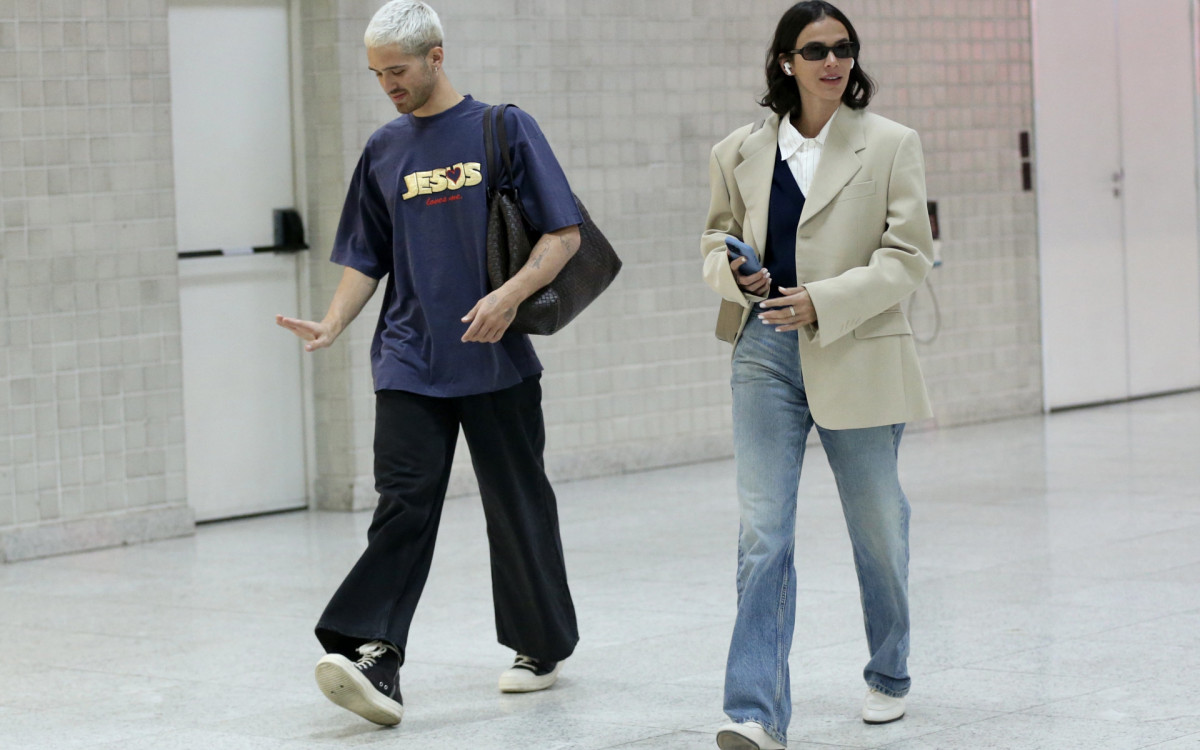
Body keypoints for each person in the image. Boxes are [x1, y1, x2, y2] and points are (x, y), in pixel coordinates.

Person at [276, 0, 582, 727]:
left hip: (497, 359)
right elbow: (364, 255)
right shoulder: (385, 149)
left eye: (399, 71)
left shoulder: (502, 128)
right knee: (404, 505)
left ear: (436, 57)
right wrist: (332, 321)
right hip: (410, 358)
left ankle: (540, 645)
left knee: (518, 506)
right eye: (378, 74)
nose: (389, 85)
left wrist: (509, 295)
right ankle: (374, 651)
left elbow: (562, 233)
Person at [700, 2, 934, 747]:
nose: (834, 62)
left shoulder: (892, 144)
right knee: (763, 533)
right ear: (785, 63)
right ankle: (755, 713)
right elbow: (713, 237)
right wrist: (735, 273)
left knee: (877, 526)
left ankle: (889, 670)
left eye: (844, 49)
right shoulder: (736, 149)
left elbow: (907, 258)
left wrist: (821, 301)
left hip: (857, 347)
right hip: (762, 352)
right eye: (816, 50)